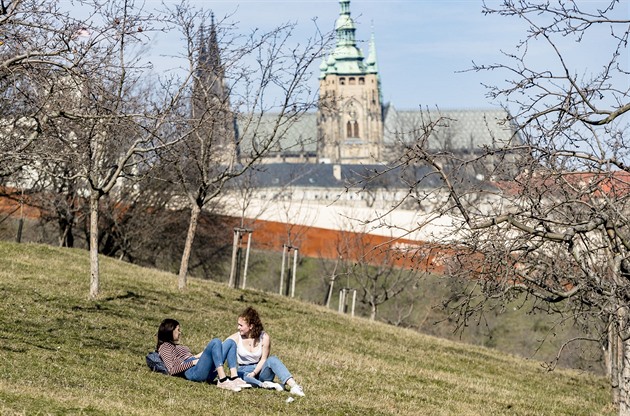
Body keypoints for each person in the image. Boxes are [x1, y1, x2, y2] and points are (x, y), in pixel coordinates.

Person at [225, 306, 305, 397]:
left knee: (273, 359)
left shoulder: (264, 337)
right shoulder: (236, 337)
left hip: (260, 370)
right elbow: (221, 347)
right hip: (243, 371)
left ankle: (294, 386)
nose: (238, 327)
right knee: (243, 375)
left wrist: (254, 372)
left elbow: (263, 359)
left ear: (251, 326)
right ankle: (268, 385)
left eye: (241, 325)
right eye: (238, 324)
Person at [156, 318, 251, 392]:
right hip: (192, 372)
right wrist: (192, 362)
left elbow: (192, 357)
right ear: (170, 331)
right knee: (216, 341)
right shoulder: (164, 347)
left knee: (230, 342)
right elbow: (171, 370)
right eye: (178, 330)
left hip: (198, 366)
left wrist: (203, 354)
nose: (180, 333)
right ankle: (222, 380)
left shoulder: (175, 345)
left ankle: (234, 377)